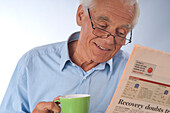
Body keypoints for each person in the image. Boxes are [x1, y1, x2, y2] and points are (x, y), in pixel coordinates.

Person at [0, 0, 140, 112]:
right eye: (102, 26)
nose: (110, 40)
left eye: (121, 33)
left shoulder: (133, 71)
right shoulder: (33, 62)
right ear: (80, 15)